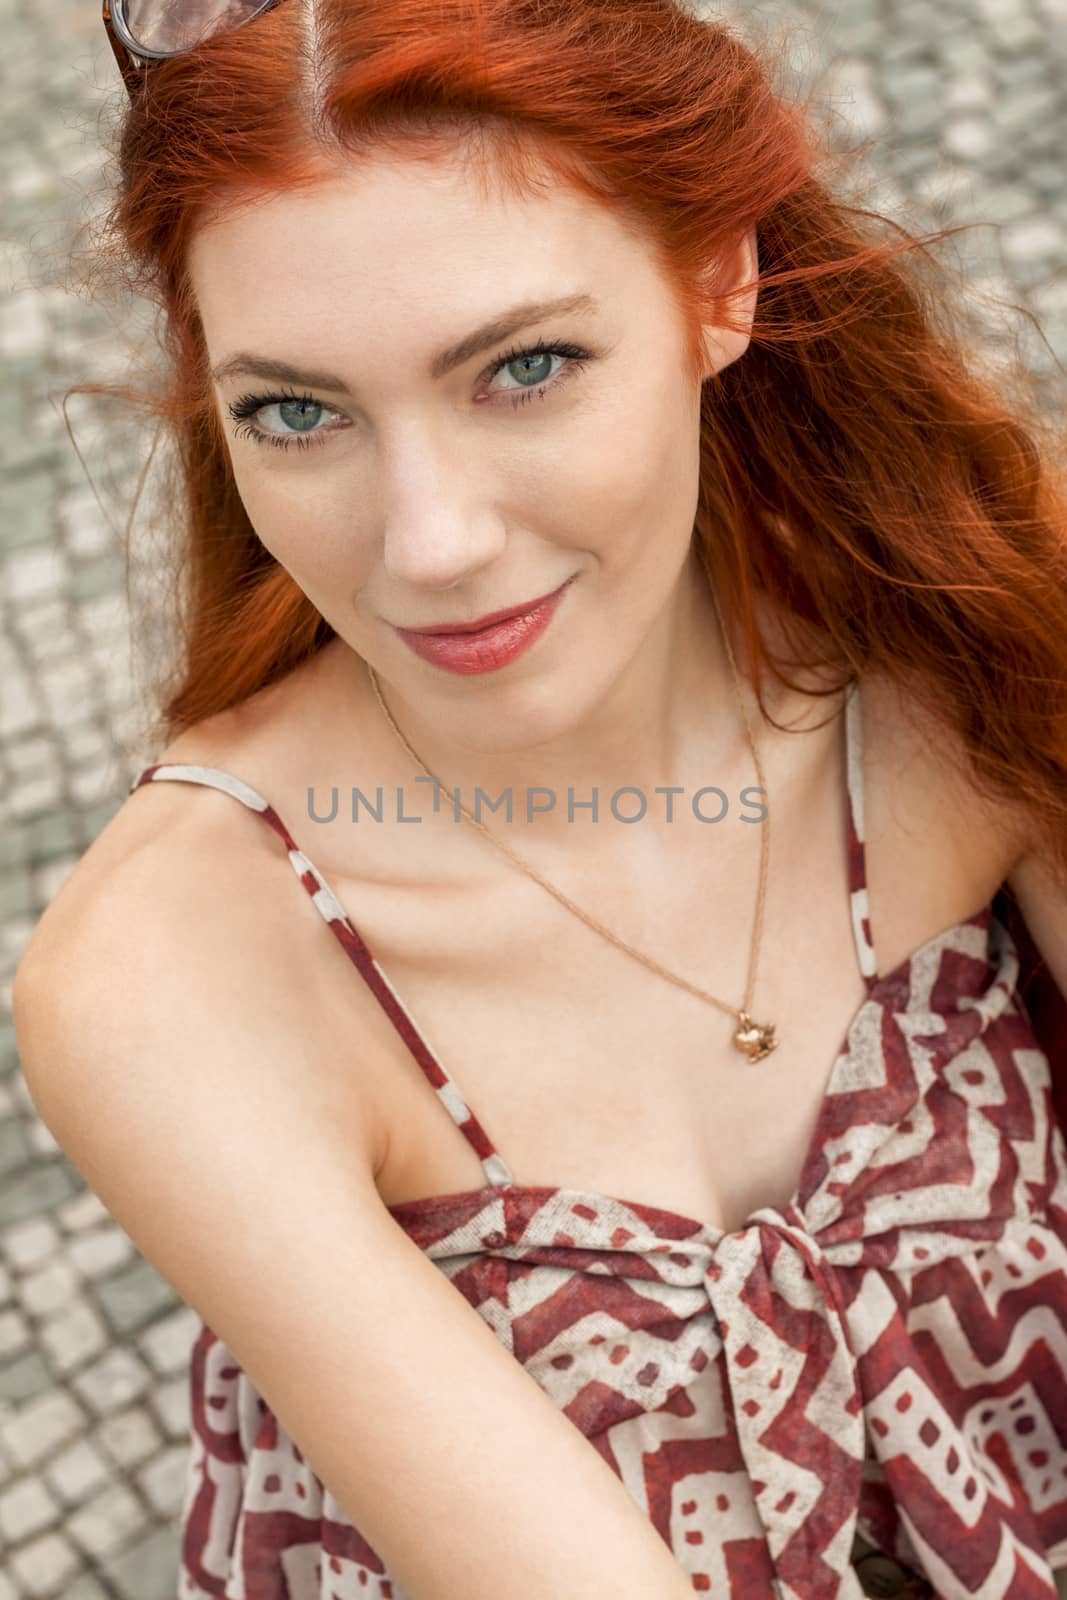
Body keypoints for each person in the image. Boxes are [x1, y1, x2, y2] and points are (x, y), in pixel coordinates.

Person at [12, 0, 1067, 1595]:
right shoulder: (178, 981)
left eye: (524, 367)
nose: (428, 542)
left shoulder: (956, 625)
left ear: (722, 284)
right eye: (296, 411)